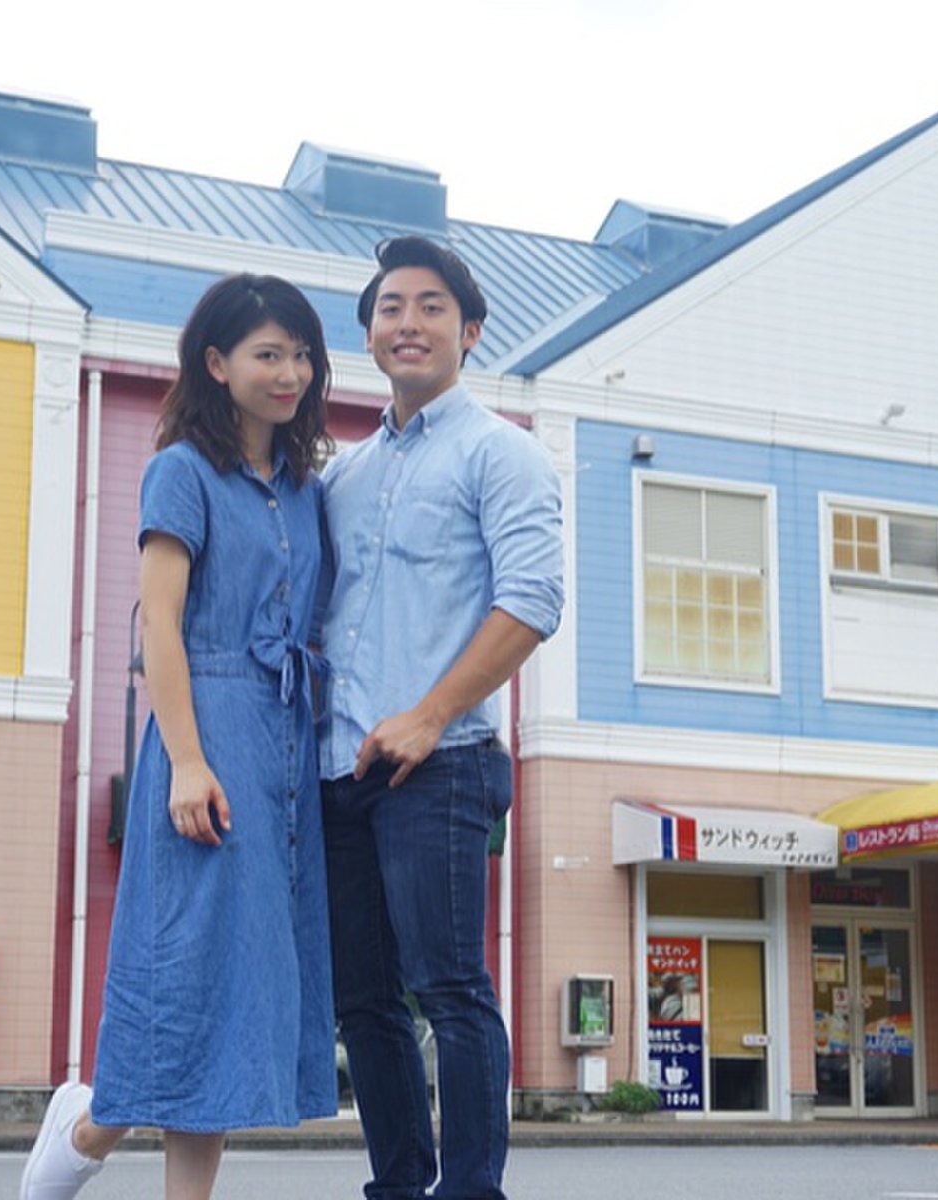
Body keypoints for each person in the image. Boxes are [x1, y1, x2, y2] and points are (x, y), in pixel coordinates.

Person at [21, 274, 337, 1200]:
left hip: (285, 741)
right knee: (184, 973)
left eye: (302, 354)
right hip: (204, 729)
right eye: (267, 353)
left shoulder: (306, 487)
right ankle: (83, 1133)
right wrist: (188, 761)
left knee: (236, 995)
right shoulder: (181, 471)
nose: (289, 372)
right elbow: (159, 624)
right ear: (217, 362)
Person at [320, 237, 564, 1200]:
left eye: (429, 307)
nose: (407, 323)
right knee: (365, 1004)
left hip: (445, 761)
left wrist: (427, 715)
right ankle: (398, 1187)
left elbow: (533, 602)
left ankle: (470, 1191)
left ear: (468, 331)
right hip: (343, 774)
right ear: (371, 335)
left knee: (452, 991)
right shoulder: (344, 474)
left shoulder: (503, 453)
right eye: (389, 308)